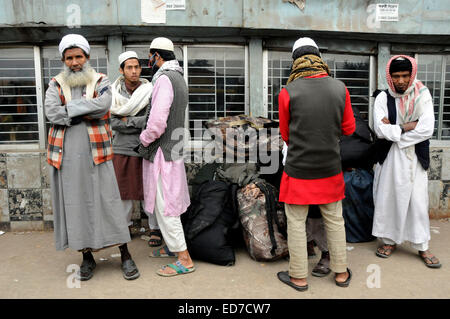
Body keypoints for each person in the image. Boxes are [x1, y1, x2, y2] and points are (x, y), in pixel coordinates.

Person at [44, 34, 140, 281]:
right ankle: (87, 258)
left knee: (108, 202)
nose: (74, 62)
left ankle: (125, 254)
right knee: (76, 206)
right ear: (63, 60)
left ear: (87, 57)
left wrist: (71, 111)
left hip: (97, 154)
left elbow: (104, 105)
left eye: (78, 57)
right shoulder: (55, 83)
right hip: (66, 158)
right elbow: (52, 112)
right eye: (69, 58)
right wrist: (86, 110)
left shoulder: (101, 80)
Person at [276, 37, 355, 291]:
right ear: (319, 57)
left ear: (294, 61)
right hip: (330, 168)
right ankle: (341, 272)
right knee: (334, 219)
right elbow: (350, 128)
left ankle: (298, 277)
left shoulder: (288, 91)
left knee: (296, 222)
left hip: (299, 170)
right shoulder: (340, 88)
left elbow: (286, 135)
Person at [372, 55, 441, 268]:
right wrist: (405, 126)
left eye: (404, 75)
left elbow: (427, 129)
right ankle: (389, 241)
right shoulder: (383, 97)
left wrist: (395, 132)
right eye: (396, 76)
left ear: (411, 75)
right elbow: (379, 130)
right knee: (389, 198)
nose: (400, 81)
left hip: (415, 158)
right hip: (390, 157)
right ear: (390, 77)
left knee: (417, 202)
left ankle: (422, 245)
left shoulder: (423, 95)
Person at [138, 37, 194, 276]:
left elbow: (158, 122)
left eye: (150, 57)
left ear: (157, 56)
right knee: (170, 201)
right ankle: (173, 248)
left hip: (162, 152)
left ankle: (184, 259)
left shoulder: (163, 79)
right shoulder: (179, 78)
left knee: (166, 205)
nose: (149, 61)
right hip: (173, 150)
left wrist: (143, 138)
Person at [110, 51, 162, 247]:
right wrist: (135, 122)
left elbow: (151, 120)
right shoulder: (113, 93)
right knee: (123, 192)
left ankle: (155, 228)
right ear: (121, 70)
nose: (134, 71)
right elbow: (112, 121)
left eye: (137, 67)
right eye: (129, 67)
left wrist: (126, 120)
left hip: (145, 147)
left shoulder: (150, 90)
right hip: (121, 148)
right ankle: (124, 227)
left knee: (150, 191)